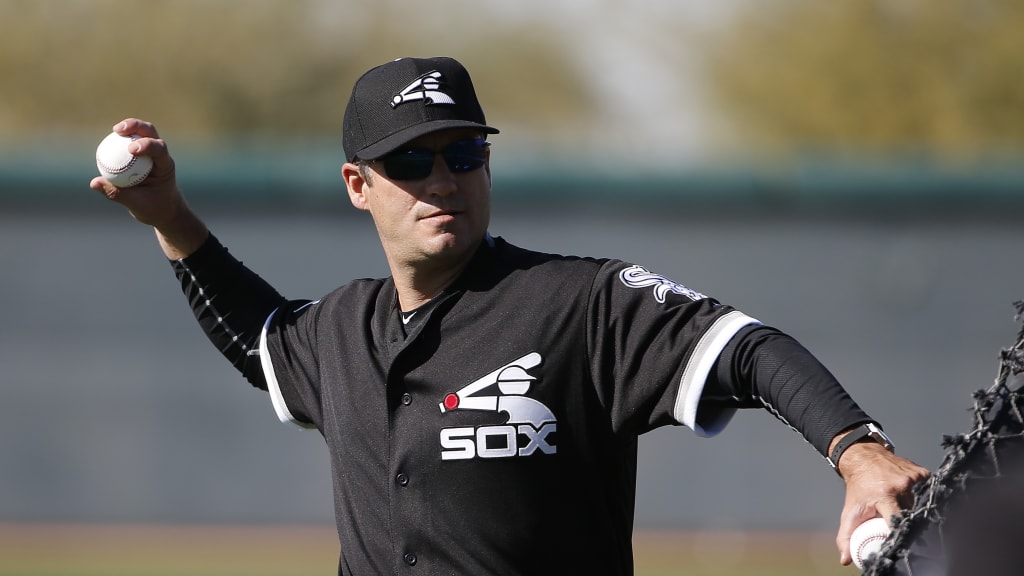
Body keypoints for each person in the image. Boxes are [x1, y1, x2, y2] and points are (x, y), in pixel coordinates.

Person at [90, 56, 929, 575]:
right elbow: (259, 338)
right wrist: (169, 217)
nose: (443, 179)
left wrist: (857, 452)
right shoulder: (340, 330)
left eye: (464, 154)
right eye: (411, 161)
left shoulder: (581, 302)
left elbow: (746, 348)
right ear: (359, 185)